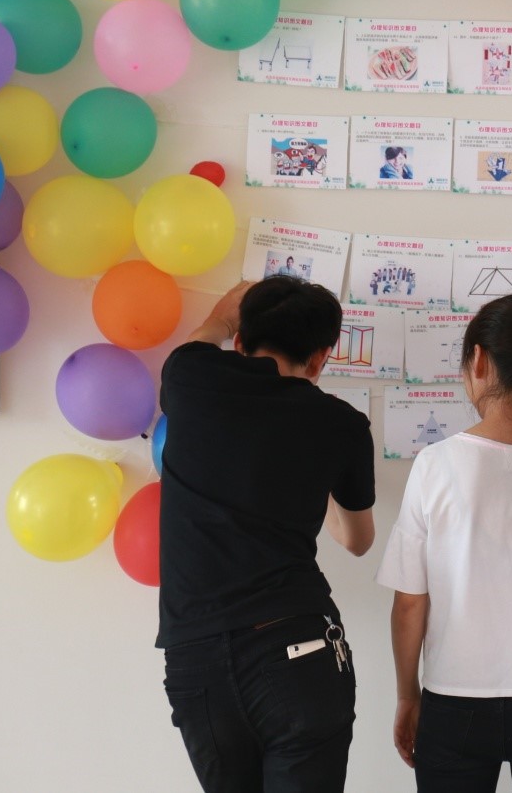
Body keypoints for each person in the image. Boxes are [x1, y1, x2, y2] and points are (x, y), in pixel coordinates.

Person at [157, 277, 377, 793]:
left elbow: (200, 339)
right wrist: (313, 473)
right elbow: (357, 539)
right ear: (320, 358)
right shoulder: (341, 424)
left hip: (196, 655)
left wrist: (223, 315)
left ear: (239, 342)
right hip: (297, 647)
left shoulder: (191, 379)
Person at [376, 294, 512, 792]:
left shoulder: (436, 465)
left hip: (455, 698)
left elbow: (410, 603)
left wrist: (407, 695)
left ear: (479, 361)